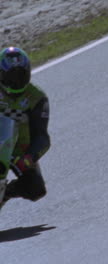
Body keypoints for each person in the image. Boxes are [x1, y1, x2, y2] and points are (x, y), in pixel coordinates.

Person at [0, 47, 51, 209]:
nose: (15, 81)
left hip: (17, 152)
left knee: (36, 190)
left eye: (20, 75)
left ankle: (6, 193)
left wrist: (28, 158)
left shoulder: (37, 97)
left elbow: (42, 137)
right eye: (10, 76)